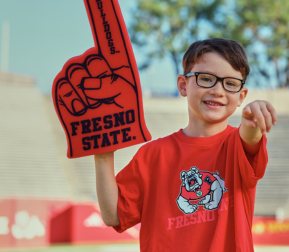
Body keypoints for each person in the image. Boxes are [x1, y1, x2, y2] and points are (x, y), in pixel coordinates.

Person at [93, 38, 277, 251]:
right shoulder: (152, 155)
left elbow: (251, 136)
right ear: (183, 85)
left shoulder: (237, 146)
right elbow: (113, 215)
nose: (218, 90)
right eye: (206, 78)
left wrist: (253, 119)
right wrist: (103, 156)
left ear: (241, 96)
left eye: (231, 84)